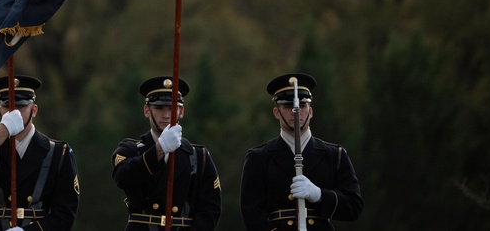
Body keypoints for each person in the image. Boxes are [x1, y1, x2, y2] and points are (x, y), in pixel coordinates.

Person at [239, 74, 363, 230]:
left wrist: (319, 195)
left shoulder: (334, 155)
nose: (295, 112)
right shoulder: (260, 157)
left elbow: (354, 206)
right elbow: (251, 213)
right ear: (276, 113)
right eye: (287, 106)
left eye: (302, 106)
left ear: (310, 111)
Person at [0, 74, 80, 230]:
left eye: (21, 106)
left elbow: (65, 214)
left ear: (34, 110)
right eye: (7, 106)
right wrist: (2, 132)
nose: (14, 113)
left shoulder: (58, 152)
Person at [111, 76, 222, 230]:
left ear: (181, 111)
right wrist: (159, 149)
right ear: (146, 110)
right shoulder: (130, 150)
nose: (166, 115)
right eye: (159, 108)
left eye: (172, 107)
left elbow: (210, 209)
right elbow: (123, 178)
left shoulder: (198, 156)